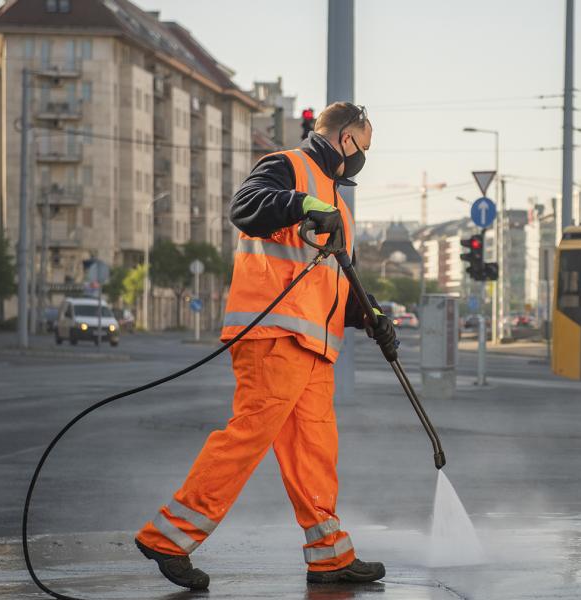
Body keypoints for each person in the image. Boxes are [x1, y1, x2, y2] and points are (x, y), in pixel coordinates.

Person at [134, 102, 397, 591]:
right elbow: (245, 206)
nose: (363, 158)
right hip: (274, 334)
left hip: (314, 347)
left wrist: (372, 315)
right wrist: (303, 204)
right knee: (248, 438)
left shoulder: (339, 207)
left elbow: (341, 282)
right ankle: (168, 538)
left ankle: (330, 556)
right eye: (363, 146)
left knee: (316, 452)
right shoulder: (286, 166)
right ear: (345, 139)